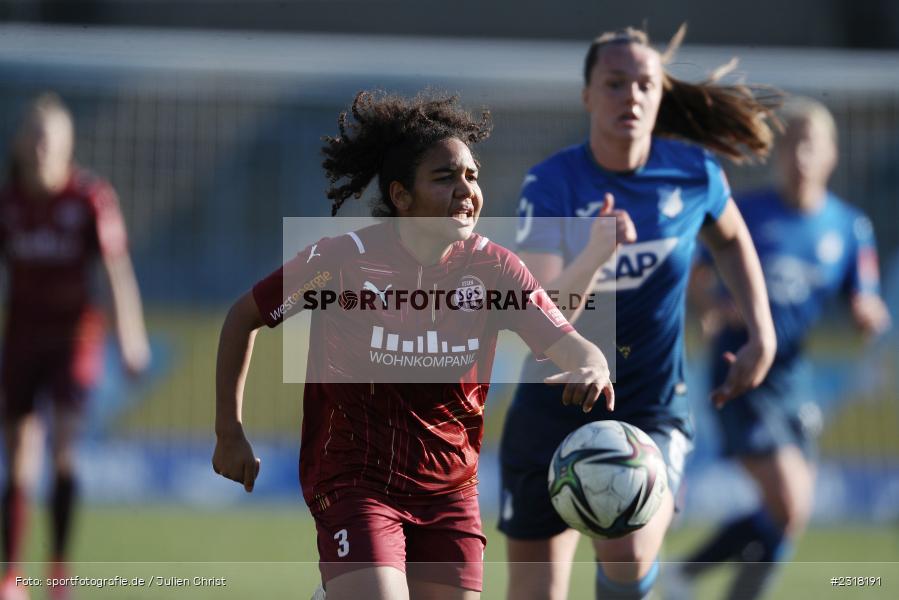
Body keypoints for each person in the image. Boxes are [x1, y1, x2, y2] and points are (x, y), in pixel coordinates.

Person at [212, 90, 617, 600]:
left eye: (471, 176)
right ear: (402, 197)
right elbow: (243, 316)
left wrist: (593, 367)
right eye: (445, 178)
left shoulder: (496, 269)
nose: (465, 190)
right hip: (355, 481)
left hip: (451, 491)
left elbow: (571, 343)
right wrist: (230, 433)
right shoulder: (340, 262)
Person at [497, 26, 781, 600]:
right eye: (614, 82)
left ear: (659, 95)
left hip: (648, 407)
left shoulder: (693, 173)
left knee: (626, 551)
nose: (630, 95)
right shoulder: (551, 184)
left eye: (644, 84)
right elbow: (539, 324)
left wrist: (761, 331)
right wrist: (596, 254)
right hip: (551, 407)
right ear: (587, 95)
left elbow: (729, 240)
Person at [671, 98, 891, 600]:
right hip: (741, 369)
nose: (801, 155)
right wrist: (712, 304)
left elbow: (864, 295)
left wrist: (867, 314)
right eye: (791, 143)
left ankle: (687, 576)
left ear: (831, 155)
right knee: (788, 501)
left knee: (789, 516)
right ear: (777, 152)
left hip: (795, 377)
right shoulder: (745, 212)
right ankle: (686, 576)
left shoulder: (849, 227)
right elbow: (697, 269)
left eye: (811, 144)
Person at [0, 93, 151, 600]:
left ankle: (58, 573)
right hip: (21, 337)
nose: (41, 148)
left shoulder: (88, 198)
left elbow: (115, 269)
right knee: (20, 454)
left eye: (51, 140)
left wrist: (130, 336)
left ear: (67, 147)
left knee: (63, 451)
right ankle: (10, 576)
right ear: (20, 144)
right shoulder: (9, 201)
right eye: (34, 138)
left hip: (72, 339)